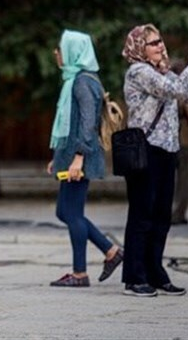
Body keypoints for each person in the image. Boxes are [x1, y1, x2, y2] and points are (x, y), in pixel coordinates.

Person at [120, 24, 188, 297]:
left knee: (161, 215)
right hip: (144, 151)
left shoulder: (164, 73)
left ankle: (154, 271)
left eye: (160, 41)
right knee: (141, 214)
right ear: (140, 48)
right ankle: (134, 277)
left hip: (166, 150)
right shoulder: (139, 72)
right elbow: (176, 88)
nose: (160, 46)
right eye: (153, 43)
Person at [45, 30, 123, 288]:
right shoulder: (77, 80)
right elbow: (71, 123)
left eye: (61, 48)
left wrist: (77, 158)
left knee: (71, 212)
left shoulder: (81, 82)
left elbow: (88, 122)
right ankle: (110, 252)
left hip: (82, 156)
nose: (57, 53)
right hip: (73, 156)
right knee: (65, 211)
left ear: (73, 52)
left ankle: (81, 272)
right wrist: (59, 157)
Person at [169, 58, 188, 226]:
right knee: (183, 178)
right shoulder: (186, 90)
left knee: (173, 177)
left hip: (173, 137)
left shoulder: (168, 88)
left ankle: (176, 212)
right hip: (182, 137)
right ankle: (179, 212)